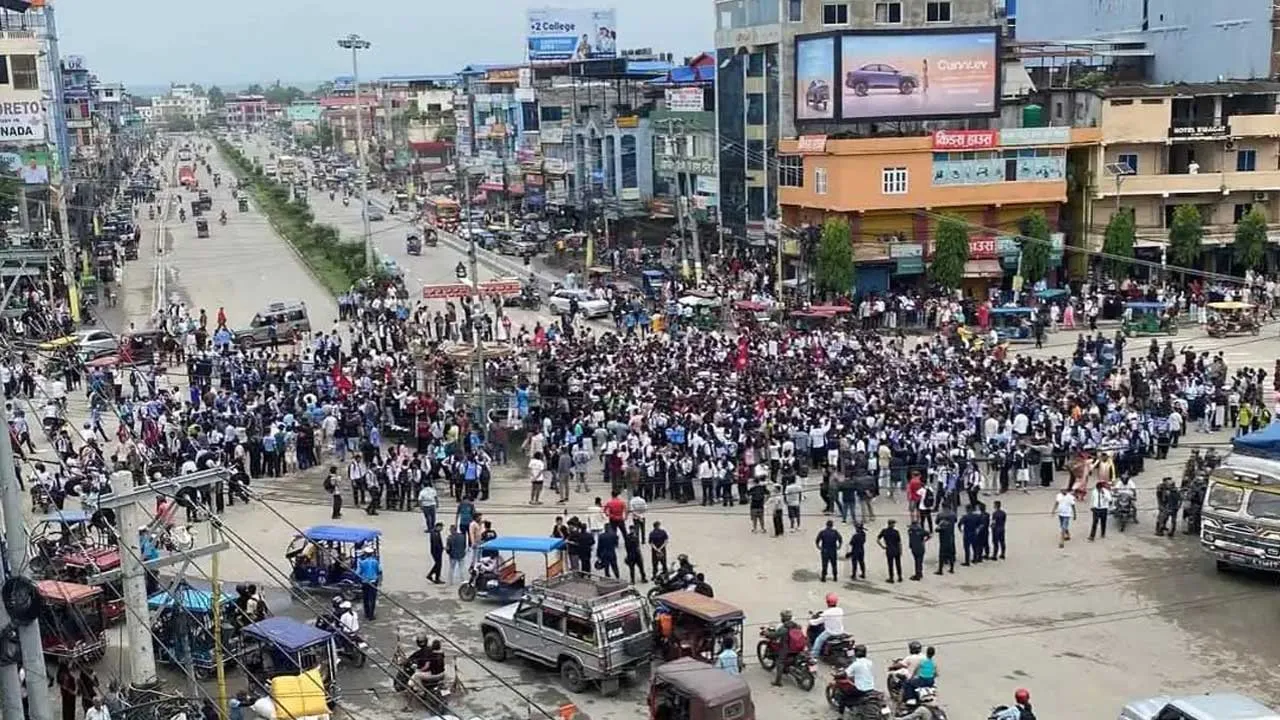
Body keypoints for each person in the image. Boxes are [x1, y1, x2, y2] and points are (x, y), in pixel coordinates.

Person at [771, 610, 804, 686]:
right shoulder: (797, 626)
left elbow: (774, 635)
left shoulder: (784, 628)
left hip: (787, 649)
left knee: (780, 662)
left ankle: (777, 682)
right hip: (798, 647)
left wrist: (766, 633)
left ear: (783, 618)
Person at [810, 592, 845, 659]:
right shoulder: (840, 610)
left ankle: (813, 655)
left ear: (827, 602)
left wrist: (810, 621)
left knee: (818, 640)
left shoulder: (826, 613)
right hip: (840, 631)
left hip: (830, 632)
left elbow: (816, 622)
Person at [356, 546, 381, 620]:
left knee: (365, 598)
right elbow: (379, 571)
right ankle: (371, 615)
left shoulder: (362, 562)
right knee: (372, 599)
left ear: (365, 554)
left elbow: (358, 572)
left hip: (365, 582)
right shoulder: (375, 562)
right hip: (373, 582)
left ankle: (367, 614)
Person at [877, 519, 903, 583]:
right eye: (893, 524)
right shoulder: (896, 532)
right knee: (898, 563)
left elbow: (878, 539)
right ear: (891, 524)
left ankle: (891, 578)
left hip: (889, 549)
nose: (894, 525)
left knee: (890, 564)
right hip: (896, 549)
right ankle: (899, 577)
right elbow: (899, 542)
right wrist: (901, 550)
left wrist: (882, 546)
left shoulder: (884, 531)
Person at [934, 507, 956, 575]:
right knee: (951, 554)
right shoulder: (953, 514)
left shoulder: (941, 519)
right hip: (951, 538)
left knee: (941, 555)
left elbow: (936, 528)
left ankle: (940, 570)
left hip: (943, 541)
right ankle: (952, 569)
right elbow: (955, 520)